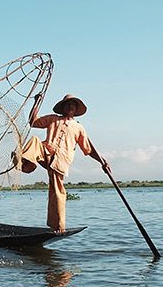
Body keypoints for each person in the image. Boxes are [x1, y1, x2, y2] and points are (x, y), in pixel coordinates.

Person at [19, 94, 110, 233]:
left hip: (60, 162)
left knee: (57, 192)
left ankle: (59, 227)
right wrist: (36, 103)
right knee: (34, 141)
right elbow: (33, 122)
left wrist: (102, 161)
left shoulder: (78, 128)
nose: (70, 107)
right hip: (46, 153)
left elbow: (89, 149)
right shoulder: (53, 118)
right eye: (68, 104)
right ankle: (27, 165)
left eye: (73, 105)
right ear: (63, 107)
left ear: (76, 109)